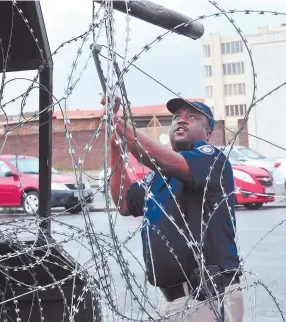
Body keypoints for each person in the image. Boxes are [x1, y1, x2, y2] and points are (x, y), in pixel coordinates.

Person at [104, 96, 244, 321]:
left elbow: (164, 159)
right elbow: (123, 202)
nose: (181, 120)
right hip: (173, 300)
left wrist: (119, 125)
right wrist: (115, 149)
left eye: (192, 117)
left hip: (206, 296)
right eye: (177, 117)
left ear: (208, 133)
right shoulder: (160, 175)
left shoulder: (211, 160)